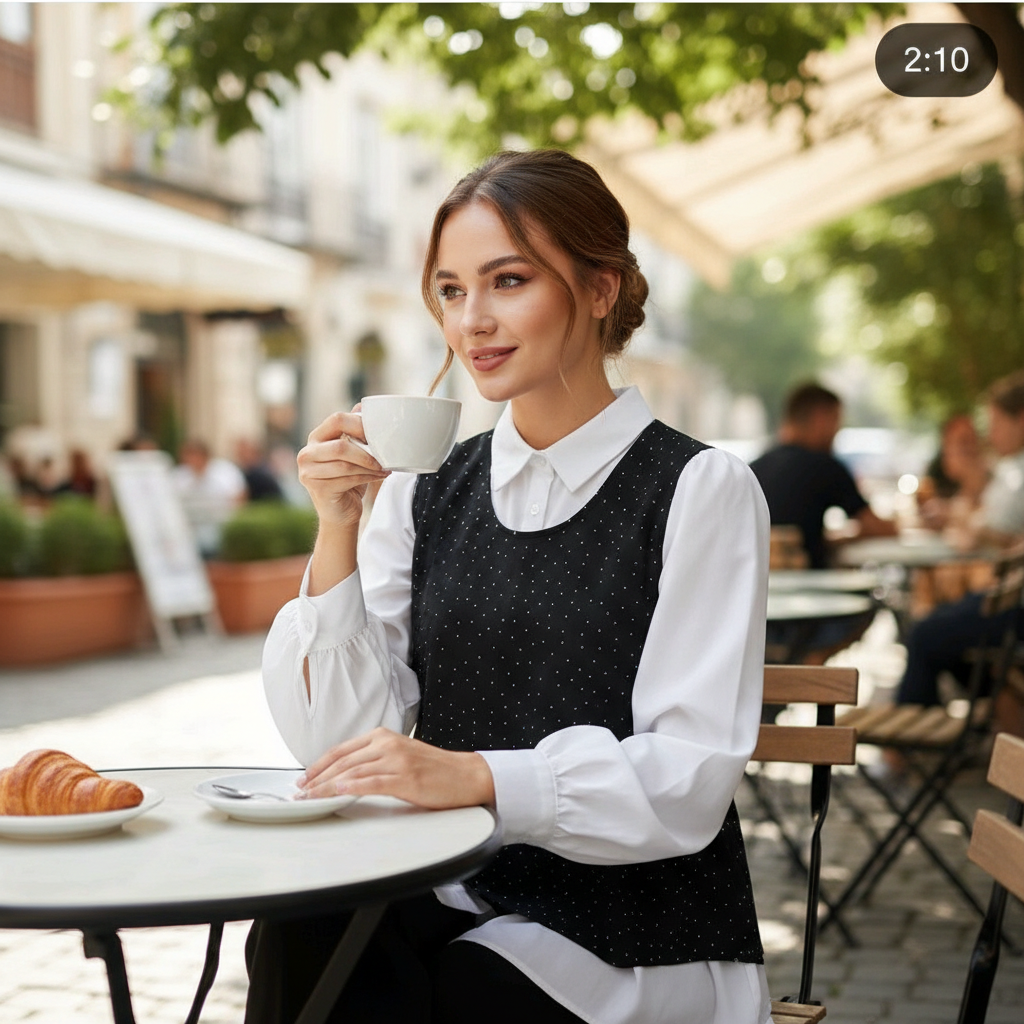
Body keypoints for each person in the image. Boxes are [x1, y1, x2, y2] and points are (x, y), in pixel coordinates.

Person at [251, 150, 771, 1024]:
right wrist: (337, 525)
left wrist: (477, 777)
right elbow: (338, 745)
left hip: (637, 926)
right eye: (451, 291)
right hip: (460, 886)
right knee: (299, 927)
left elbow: (688, 776)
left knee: (469, 995)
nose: (473, 322)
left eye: (508, 280)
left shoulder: (698, 488)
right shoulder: (425, 489)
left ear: (601, 289)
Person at [896, 371, 1024, 711]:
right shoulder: (1010, 473)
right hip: (1005, 600)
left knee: (925, 633)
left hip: (1012, 606)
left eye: (995, 423)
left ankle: (908, 749)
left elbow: (984, 531)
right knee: (929, 628)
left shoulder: (1015, 476)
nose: (990, 435)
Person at [750, 382, 896, 569]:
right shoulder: (825, 466)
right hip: (809, 586)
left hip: (758, 588)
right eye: (836, 420)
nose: (837, 432)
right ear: (821, 418)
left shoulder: (754, 467)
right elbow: (880, 528)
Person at [171, 438, 246, 557]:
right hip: (190, 534)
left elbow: (239, 498)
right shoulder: (179, 476)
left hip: (220, 531)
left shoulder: (225, 472)